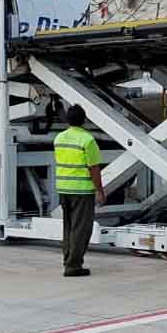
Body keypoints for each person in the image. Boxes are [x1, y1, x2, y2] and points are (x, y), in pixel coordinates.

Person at [54, 104, 106, 276]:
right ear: (84, 120)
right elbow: (94, 168)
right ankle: (73, 266)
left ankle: (68, 259)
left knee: (68, 227)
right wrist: (99, 190)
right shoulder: (87, 140)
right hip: (81, 191)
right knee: (81, 229)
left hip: (64, 188)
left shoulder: (59, 138)